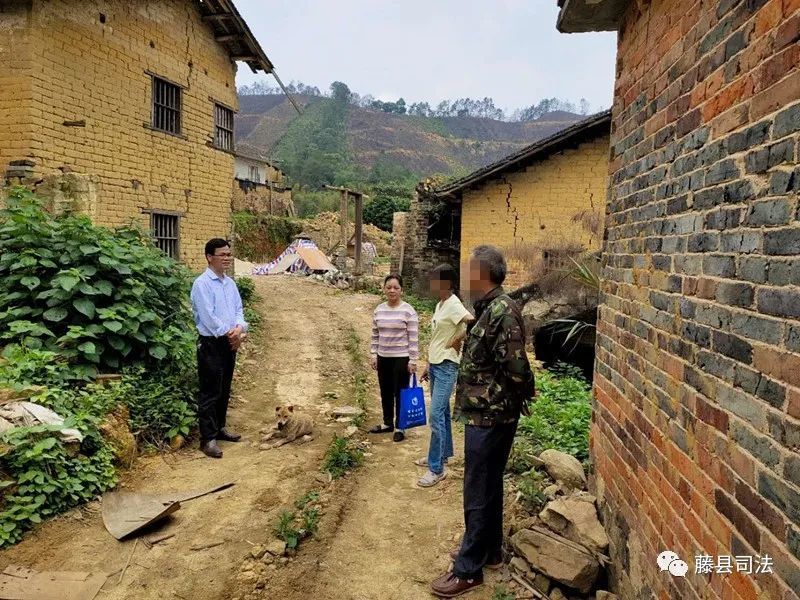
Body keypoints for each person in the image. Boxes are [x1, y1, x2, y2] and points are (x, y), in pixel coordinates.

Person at [430, 245, 535, 598]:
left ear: (482, 274)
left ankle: (468, 569)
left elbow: (518, 368)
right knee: (488, 485)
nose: (465, 278)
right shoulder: (488, 309)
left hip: (492, 416)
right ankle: (489, 552)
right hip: (487, 414)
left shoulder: (503, 311)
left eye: (468, 271)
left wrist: (517, 397)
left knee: (477, 489)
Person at [416, 264, 473, 488]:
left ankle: (436, 469)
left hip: (448, 365)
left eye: (435, 281)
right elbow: (437, 338)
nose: (432, 285)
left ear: (447, 283)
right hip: (437, 364)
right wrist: (428, 364)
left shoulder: (453, 304)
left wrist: (458, 340)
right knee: (443, 412)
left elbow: (472, 321)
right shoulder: (440, 305)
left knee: (436, 415)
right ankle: (442, 455)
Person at [190, 238, 248, 459]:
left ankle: (220, 428)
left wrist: (239, 329)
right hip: (211, 343)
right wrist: (229, 331)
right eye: (222, 254)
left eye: (228, 254)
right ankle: (207, 438)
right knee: (210, 391)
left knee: (224, 387)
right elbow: (208, 317)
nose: (227, 258)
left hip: (230, 341)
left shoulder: (229, 284)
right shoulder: (202, 284)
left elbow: (238, 311)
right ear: (209, 257)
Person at [369, 274, 419, 443]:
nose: (392, 290)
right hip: (383, 357)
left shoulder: (408, 311)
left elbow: (413, 337)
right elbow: (375, 334)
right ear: (384, 289)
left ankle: (400, 426)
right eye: (389, 287)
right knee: (385, 391)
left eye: (396, 288)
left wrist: (413, 360)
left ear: (401, 290)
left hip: (402, 358)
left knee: (401, 392)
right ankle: (387, 423)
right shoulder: (379, 309)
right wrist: (373, 354)